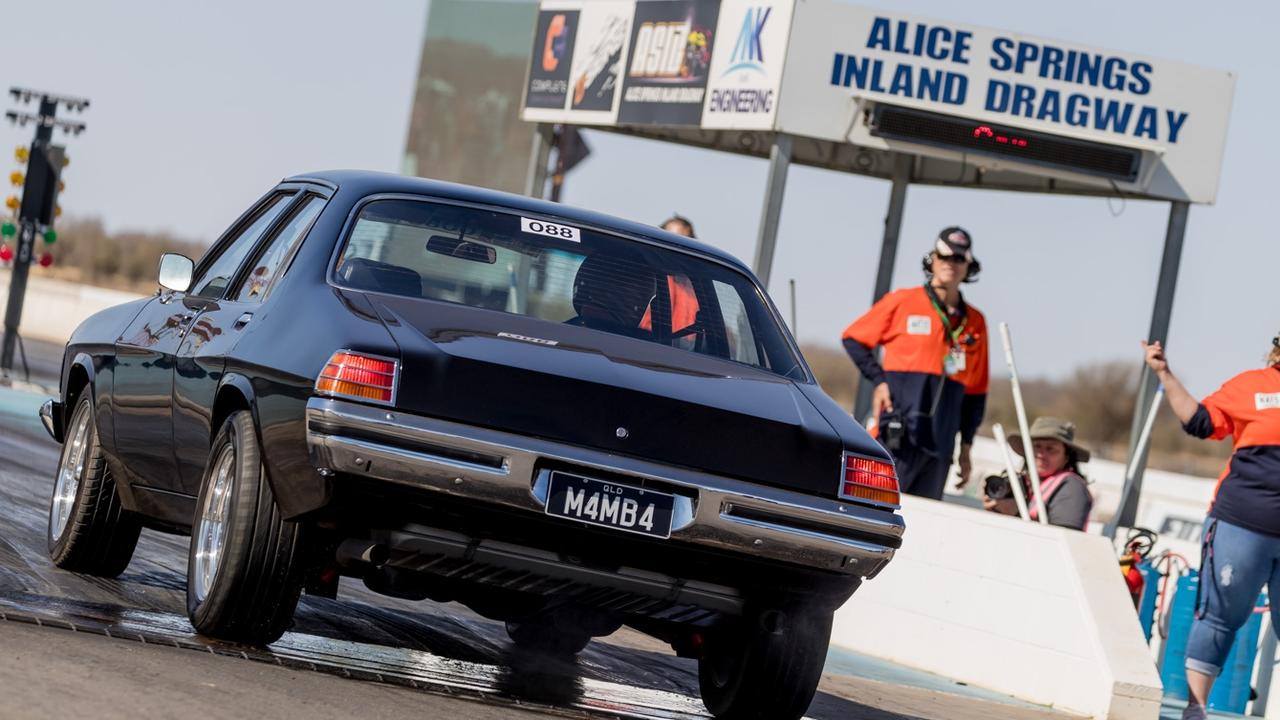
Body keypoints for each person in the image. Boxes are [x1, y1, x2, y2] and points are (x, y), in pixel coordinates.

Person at [1143, 336, 1280, 720]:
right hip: (1241, 524)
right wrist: (1164, 373)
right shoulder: (1254, 385)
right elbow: (1200, 421)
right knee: (1220, 618)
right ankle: (1195, 709)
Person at [842, 227, 989, 500]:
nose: (950, 264)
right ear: (931, 260)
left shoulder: (976, 323)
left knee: (921, 526)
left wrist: (966, 446)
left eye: (958, 259)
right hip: (898, 437)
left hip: (940, 446)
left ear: (968, 266)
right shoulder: (903, 301)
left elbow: (976, 394)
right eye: (944, 257)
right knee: (873, 508)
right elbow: (852, 338)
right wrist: (879, 380)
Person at [982, 416, 1093, 530]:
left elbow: (1061, 538)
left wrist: (1017, 513)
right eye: (1036, 446)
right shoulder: (1024, 484)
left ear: (1067, 457)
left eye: (1050, 449)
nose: (1041, 454)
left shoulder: (1072, 487)